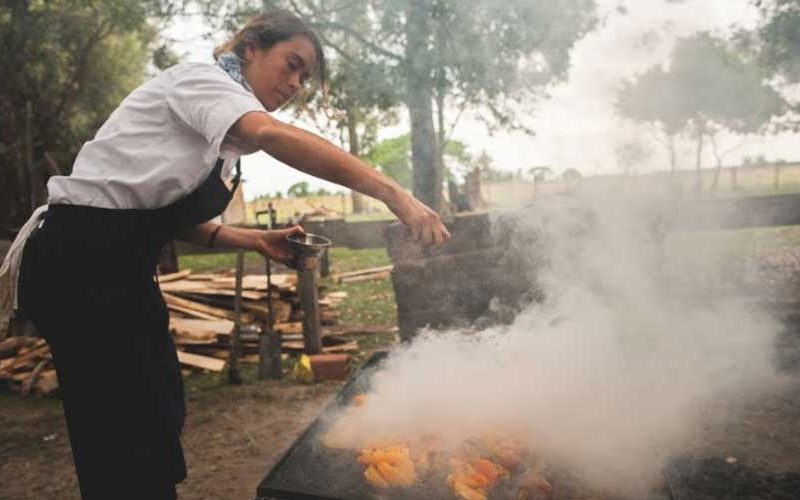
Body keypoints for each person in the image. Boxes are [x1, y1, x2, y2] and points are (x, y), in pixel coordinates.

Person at [2, 9, 449, 499]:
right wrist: (393, 193)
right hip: (80, 260)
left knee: (154, 410)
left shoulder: (223, 143)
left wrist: (255, 240)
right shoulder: (202, 82)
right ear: (251, 48)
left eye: (305, 75)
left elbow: (166, 217)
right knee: (122, 428)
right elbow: (272, 135)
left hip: (117, 267)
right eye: (292, 63)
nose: (296, 82)